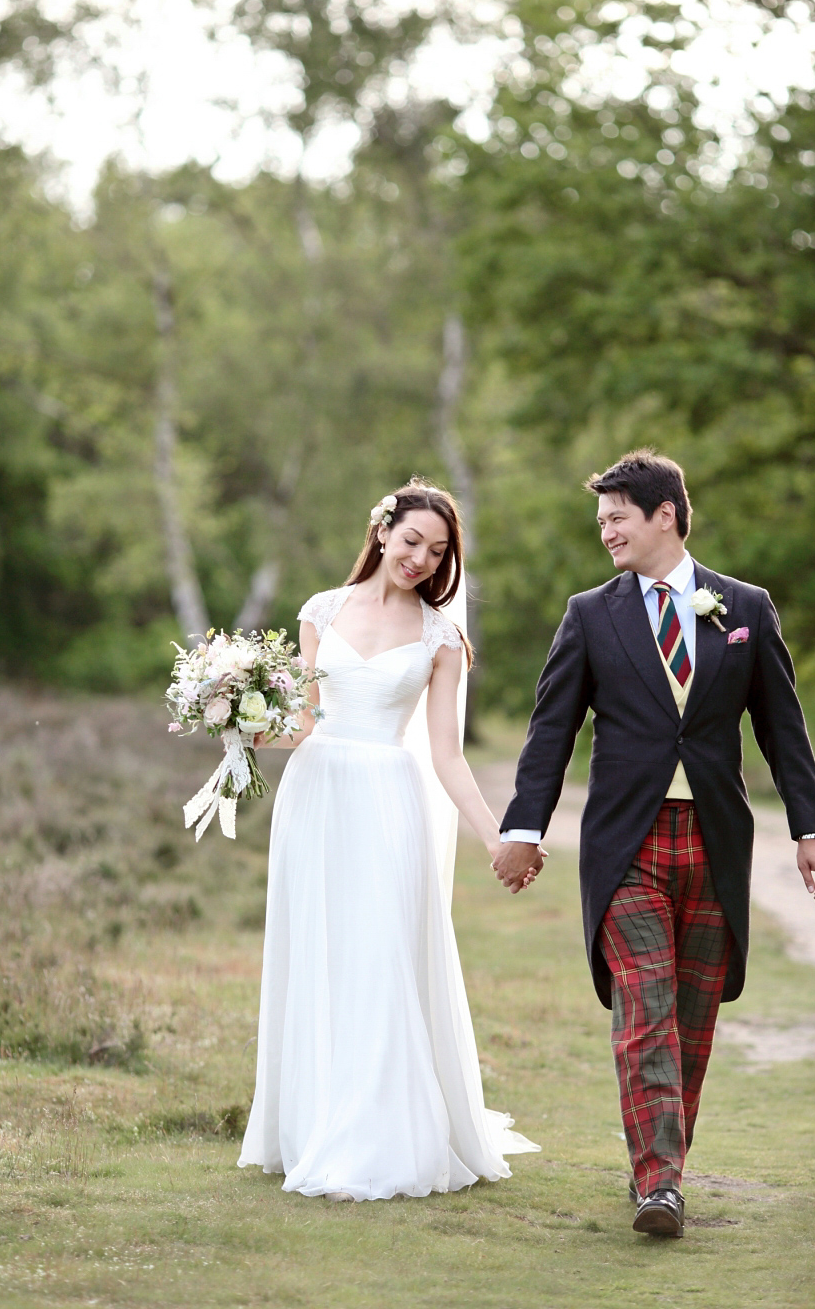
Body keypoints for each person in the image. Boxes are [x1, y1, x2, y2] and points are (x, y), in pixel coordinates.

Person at [493, 450, 815, 1238]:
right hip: (626, 845)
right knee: (643, 1006)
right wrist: (523, 827)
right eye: (601, 519)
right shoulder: (589, 614)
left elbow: (784, 730)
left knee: (690, 1017)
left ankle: (660, 1168)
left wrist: (810, 830)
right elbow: (552, 731)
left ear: (666, 516)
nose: (605, 530)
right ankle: (661, 1187)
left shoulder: (744, 606)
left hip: (715, 844)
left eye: (618, 517)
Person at [238, 477, 539, 1201]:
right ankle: (313, 1123)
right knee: (320, 950)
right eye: (412, 542)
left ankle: (380, 1133)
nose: (422, 560)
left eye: (438, 553)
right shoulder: (322, 611)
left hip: (388, 798)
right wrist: (238, 727)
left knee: (382, 956)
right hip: (315, 795)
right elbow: (304, 720)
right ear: (381, 532)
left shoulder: (440, 638)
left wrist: (499, 838)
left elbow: (448, 755)